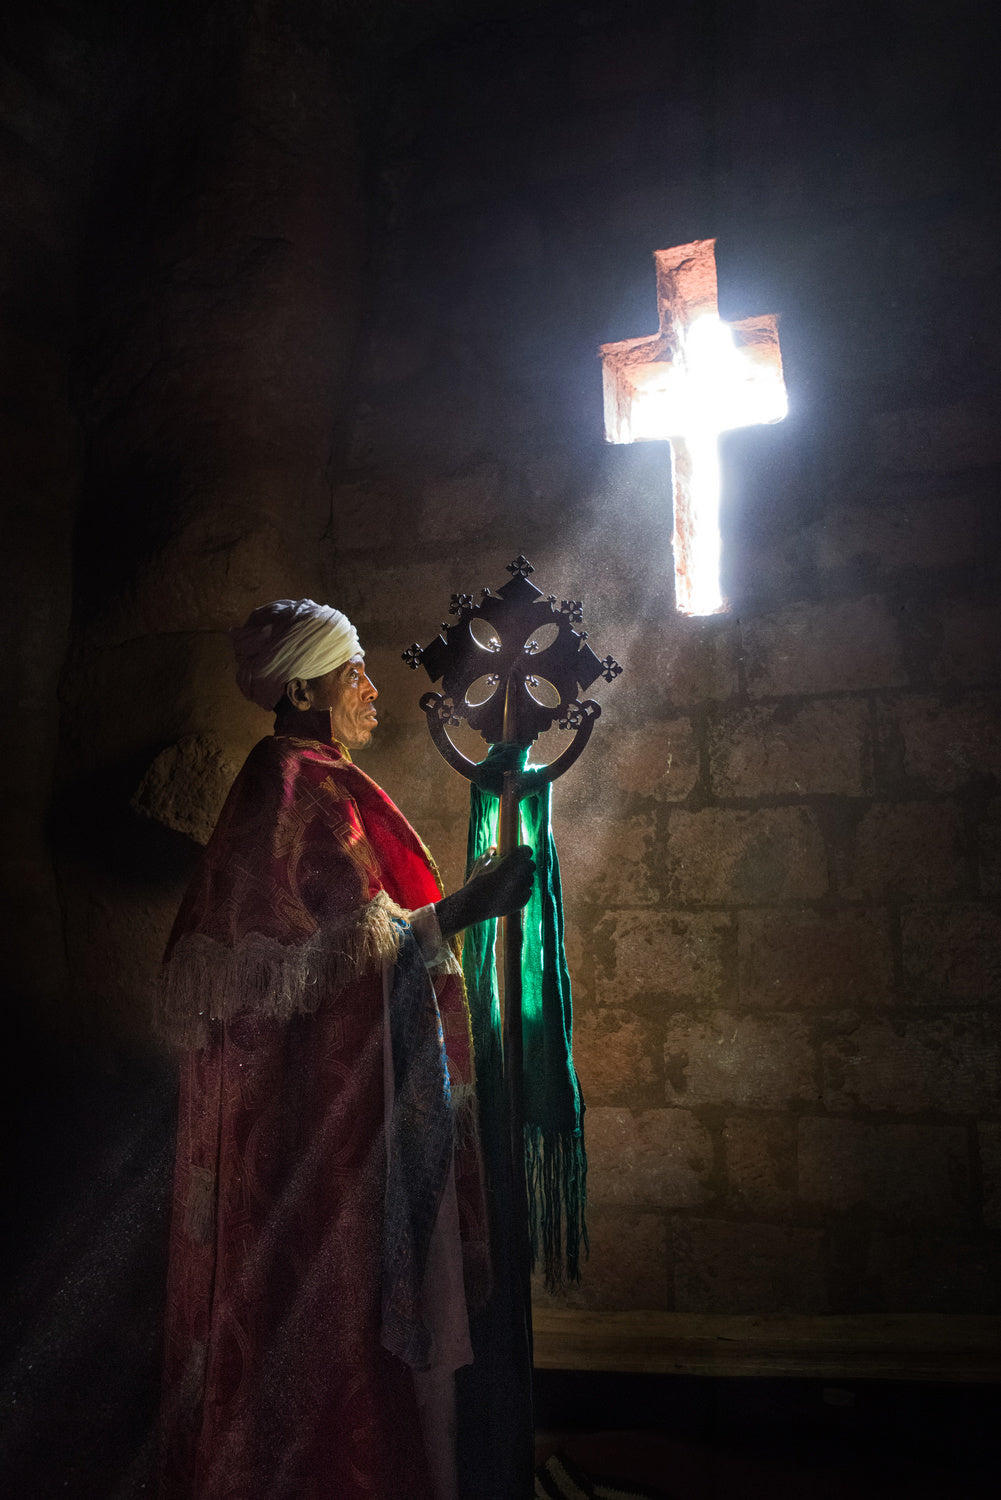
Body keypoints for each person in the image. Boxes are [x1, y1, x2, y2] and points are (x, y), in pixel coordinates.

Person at [155, 598, 534, 1500]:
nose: (369, 689)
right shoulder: (287, 785)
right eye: (349, 670)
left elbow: (359, 949)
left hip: (363, 1112)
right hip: (324, 1137)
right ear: (299, 687)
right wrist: (465, 910)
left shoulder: (325, 779)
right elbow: (313, 973)